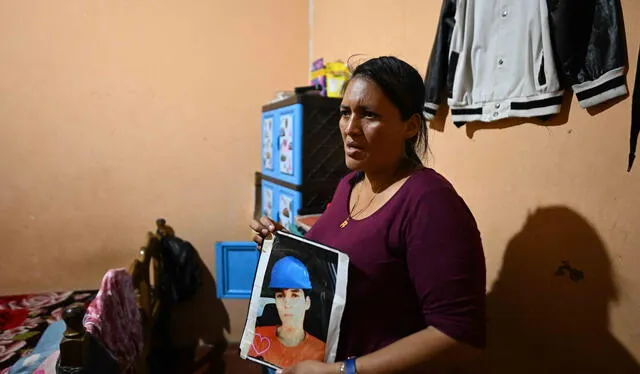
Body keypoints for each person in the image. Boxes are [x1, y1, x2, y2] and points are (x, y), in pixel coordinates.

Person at [250, 56, 486, 374]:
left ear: (411, 126)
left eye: (369, 115)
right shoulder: (351, 184)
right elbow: (347, 261)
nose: (350, 129)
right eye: (345, 113)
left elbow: (458, 336)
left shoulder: (429, 203)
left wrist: (342, 372)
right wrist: (285, 247)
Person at [249, 256, 325, 368]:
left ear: (307, 303)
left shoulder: (322, 350)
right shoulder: (255, 336)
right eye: (280, 296)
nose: (287, 303)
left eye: (294, 295)